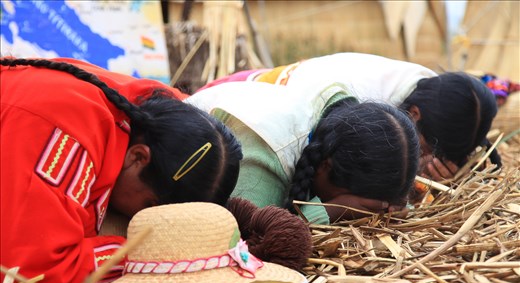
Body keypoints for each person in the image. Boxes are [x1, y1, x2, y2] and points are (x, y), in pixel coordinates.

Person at [0, 57, 242, 283]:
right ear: (138, 158)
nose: (143, 218)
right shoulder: (68, 135)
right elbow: (29, 275)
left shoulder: (166, 116)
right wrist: (152, 254)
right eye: (149, 207)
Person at [196, 52, 501, 182]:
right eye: (427, 149)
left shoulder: (436, 94)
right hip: (235, 100)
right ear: (415, 114)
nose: (427, 157)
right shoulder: (358, 104)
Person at [188, 81, 420, 225]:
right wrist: (331, 211)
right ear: (326, 166)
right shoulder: (266, 152)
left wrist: (392, 210)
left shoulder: (346, 122)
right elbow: (243, 241)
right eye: (365, 208)